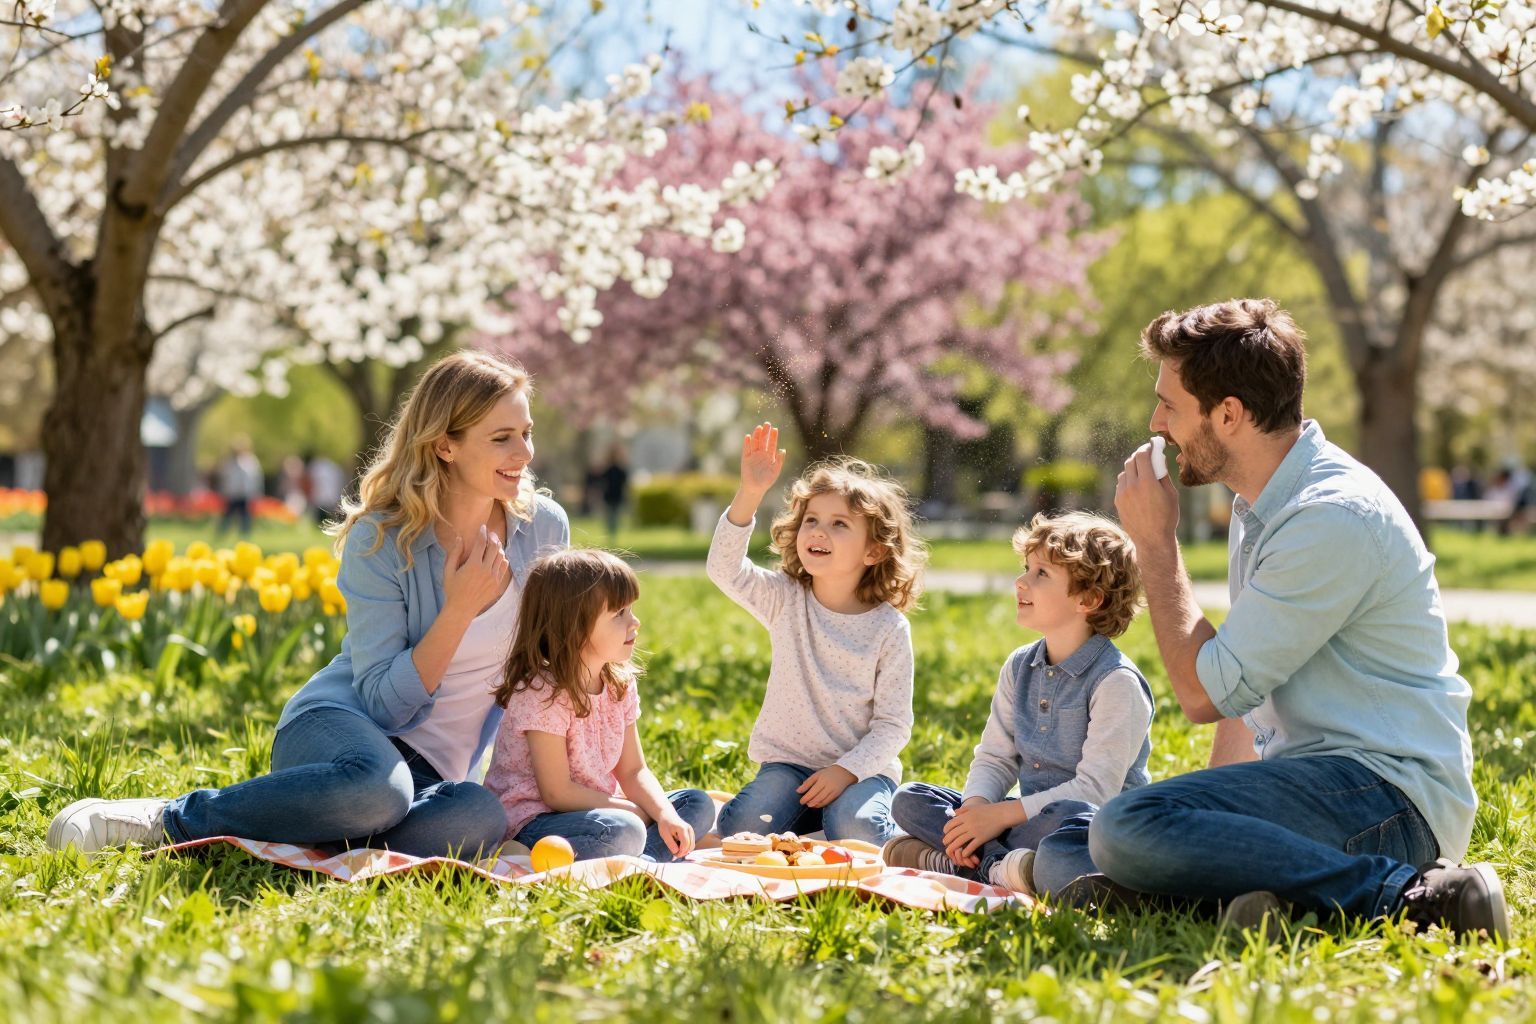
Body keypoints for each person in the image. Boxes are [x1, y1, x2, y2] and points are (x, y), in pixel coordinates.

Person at [1076, 298, 1506, 940]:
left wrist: (1157, 548)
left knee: (1123, 830)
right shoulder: (1263, 504)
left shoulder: (1330, 517)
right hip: (1319, 781)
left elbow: (1201, 695)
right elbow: (1247, 698)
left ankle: (1415, 897)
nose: (1155, 422)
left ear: (1229, 414)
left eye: (1169, 404)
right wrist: (1200, 821)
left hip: (1390, 797)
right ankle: (1248, 897)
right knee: (1086, 843)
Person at [46, 351, 568, 860]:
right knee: (378, 791)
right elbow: (386, 706)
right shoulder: (381, 539)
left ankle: (306, 824)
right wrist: (458, 609)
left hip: (435, 774)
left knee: (476, 818)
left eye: (525, 433)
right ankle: (174, 819)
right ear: (445, 446)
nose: (523, 453)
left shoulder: (544, 529)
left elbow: (553, 667)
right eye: (502, 438)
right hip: (342, 732)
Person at [882, 512, 1153, 897]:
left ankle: (957, 861)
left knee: (1069, 820)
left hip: (1086, 825)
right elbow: (996, 757)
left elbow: (1095, 792)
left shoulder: (1116, 682)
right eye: (1027, 568)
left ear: (1089, 599)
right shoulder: (1019, 666)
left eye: (1042, 574)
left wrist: (998, 818)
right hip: (1023, 820)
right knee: (910, 798)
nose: (1020, 582)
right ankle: (997, 865)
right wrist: (973, 814)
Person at [708, 423, 925, 847]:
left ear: (873, 551)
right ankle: (811, 822)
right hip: (788, 766)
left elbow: (893, 726)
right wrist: (750, 491)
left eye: (839, 524)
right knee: (741, 829)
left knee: (858, 831)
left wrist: (845, 772)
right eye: (811, 520)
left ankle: (862, 820)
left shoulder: (889, 628)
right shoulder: (786, 599)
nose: (818, 532)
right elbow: (724, 569)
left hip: (859, 770)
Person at [485, 549, 715, 862]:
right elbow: (557, 792)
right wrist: (632, 811)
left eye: (630, 610)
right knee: (625, 829)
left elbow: (633, 771)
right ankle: (638, 859)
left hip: (601, 809)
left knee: (696, 805)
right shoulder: (542, 693)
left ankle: (635, 861)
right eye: (619, 613)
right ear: (574, 627)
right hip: (536, 821)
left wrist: (662, 814)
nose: (635, 622)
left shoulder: (619, 684)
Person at [216, 435, 264, 536]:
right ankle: (222, 533)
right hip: (232, 492)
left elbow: (256, 478)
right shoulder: (229, 461)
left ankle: (245, 533)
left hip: (245, 493)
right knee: (227, 514)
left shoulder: (250, 461)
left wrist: (256, 492)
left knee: (245, 515)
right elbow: (224, 477)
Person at [306, 451, 346, 528]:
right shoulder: (334, 467)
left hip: (322, 497)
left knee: (322, 519)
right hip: (327, 497)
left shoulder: (317, 467)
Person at [598, 444, 630, 540]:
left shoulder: (621, 470)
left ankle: (613, 533)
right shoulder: (609, 470)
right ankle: (610, 533)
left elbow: (625, 483)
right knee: (610, 516)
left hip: (617, 496)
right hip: (610, 496)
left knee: (614, 516)